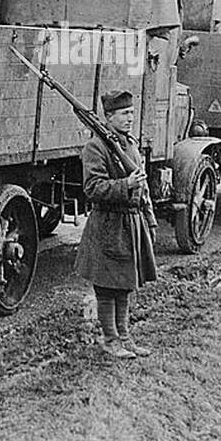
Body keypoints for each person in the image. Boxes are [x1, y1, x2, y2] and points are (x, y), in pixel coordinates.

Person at [74, 89, 158, 360]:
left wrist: (150, 219)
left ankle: (125, 338)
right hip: (109, 223)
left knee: (125, 283)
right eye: (124, 113)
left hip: (131, 222)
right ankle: (110, 340)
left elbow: (143, 188)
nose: (130, 117)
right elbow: (92, 187)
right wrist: (126, 184)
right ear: (109, 117)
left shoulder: (129, 144)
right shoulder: (96, 147)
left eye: (132, 112)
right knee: (107, 286)